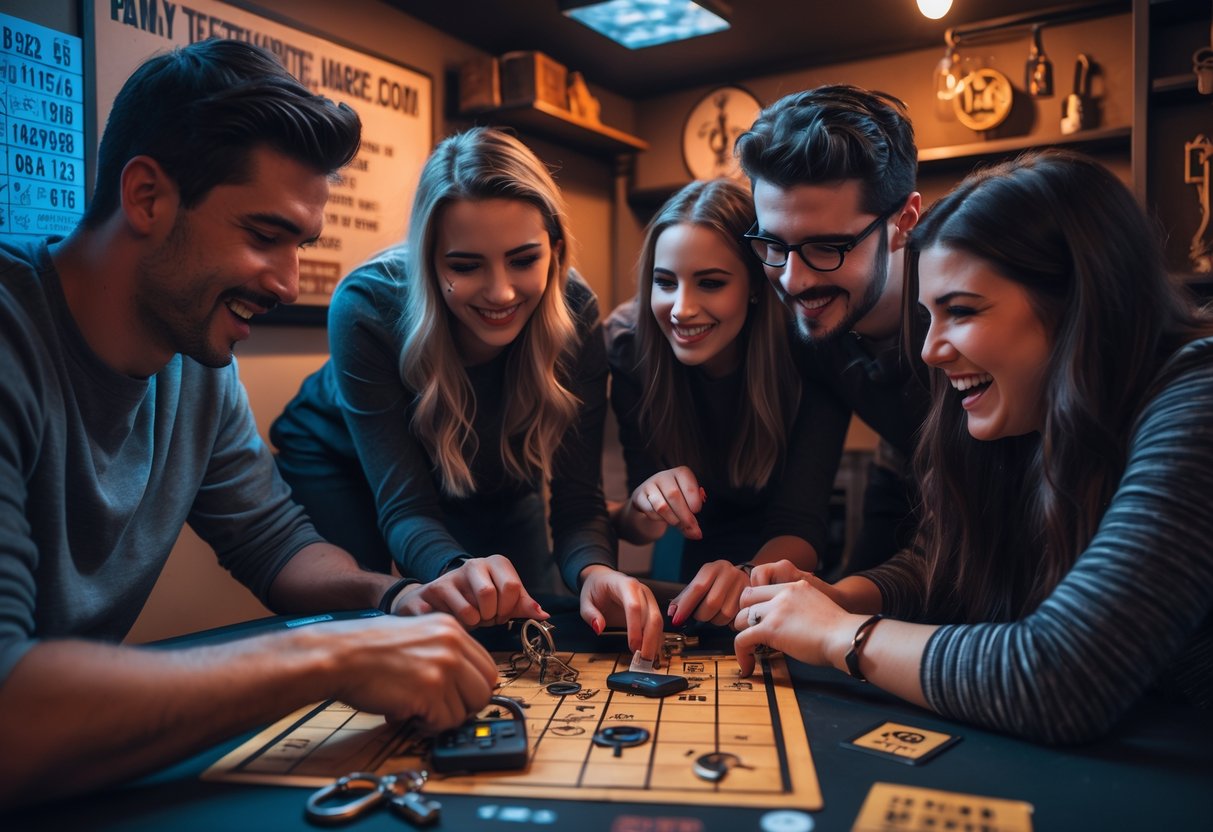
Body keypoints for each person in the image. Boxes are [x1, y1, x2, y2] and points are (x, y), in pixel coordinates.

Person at [0, 40, 535, 808]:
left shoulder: (195, 362)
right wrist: (331, 656)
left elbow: (274, 542)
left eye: (300, 246)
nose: (288, 282)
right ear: (148, 196)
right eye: (263, 235)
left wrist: (392, 601)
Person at [734, 150, 1213, 744]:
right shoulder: (1029, 414)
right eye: (927, 317)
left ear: (1078, 302)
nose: (931, 350)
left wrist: (841, 636)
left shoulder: (1198, 398)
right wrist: (838, 598)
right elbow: (947, 563)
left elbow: (1062, 676)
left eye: (960, 312)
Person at [271, 127, 664, 659]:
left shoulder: (575, 312)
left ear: (555, 248)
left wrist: (595, 570)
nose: (501, 292)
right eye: (465, 265)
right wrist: (457, 571)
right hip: (340, 459)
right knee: (371, 630)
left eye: (524, 260)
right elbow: (406, 508)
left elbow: (578, 502)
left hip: (492, 461)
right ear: (430, 262)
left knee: (523, 624)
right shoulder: (366, 306)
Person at [605, 178, 849, 627]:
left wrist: (748, 575)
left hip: (781, 570)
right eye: (665, 282)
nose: (681, 308)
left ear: (755, 285)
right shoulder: (629, 347)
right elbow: (635, 526)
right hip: (687, 565)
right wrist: (645, 502)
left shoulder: (812, 351)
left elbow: (800, 520)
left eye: (711, 283)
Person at [734, 85, 926, 575]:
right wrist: (749, 579)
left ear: (904, 220)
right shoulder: (815, 324)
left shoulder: (964, 299)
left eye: (828, 247)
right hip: (903, 478)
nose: (794, 282)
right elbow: (802, 506)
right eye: (773, 244)